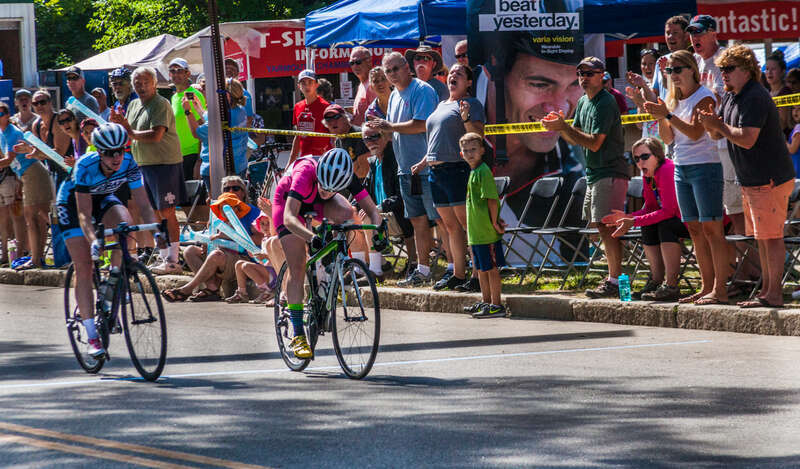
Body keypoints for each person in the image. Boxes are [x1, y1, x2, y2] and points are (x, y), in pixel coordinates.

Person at [698, 45, 797, 308]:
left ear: (746, 69)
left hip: (769, 177)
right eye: (721, 70)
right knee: (762, 238)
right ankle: (766, 291)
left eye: (729, 69)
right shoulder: (732, 95)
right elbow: (721, 134)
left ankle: (773, 293)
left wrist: (718, 125)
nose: (724, 74)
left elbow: (747, 138)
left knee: (771, 237)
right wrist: (711, 125)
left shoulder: (754, 95)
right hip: (752, 179)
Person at [55, 123, 163, 358]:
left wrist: (156, 232)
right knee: (84, 265)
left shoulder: (129, 163)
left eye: (120, 151)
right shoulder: (85, 165)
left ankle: (113, 280)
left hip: (103, 196)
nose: (116, 157)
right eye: (109, 152)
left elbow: (144, 204)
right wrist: (94, 240)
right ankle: (92, 335)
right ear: (100, 152)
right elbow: (84, 213)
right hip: (73, 205)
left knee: (124, 222)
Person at [272, 148, 384, 358]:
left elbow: (372, 210)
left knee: (347, 213)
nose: (326, 191)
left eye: (331, 189)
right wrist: (310, 237)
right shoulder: (305, 172)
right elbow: (289, 217)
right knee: (298, 265)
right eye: (323, 186)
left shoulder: (346, 176)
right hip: (289, 202)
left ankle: (333, 264)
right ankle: (298, 334)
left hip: (316, 203)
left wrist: (379, 230)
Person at [643, 50, 728, 305]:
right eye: (669, 71)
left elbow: (693, 132)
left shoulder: (705, 96)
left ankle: (720, 289)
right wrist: (662, 115)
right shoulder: (673, 99)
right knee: (693, 229)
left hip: (705, 166)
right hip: (682, 166)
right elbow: (668, 139)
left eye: (678, 69)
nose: (673, 75)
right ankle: (706, 287)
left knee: (712, 229)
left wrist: (667, 115)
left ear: (692, 69)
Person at [542, 56, 630, 299]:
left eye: (589, 73)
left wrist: (564, 128)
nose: (584, 77)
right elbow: (575, 138)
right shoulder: (583, 101)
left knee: (609, 227)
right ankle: (616, 282)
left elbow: (594, 143)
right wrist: (561, 128)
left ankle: (618, 283)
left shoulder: (606, 101)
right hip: (595, 173)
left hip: (610, 171)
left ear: (602, 75)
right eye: (580, 72)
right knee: (601, 228)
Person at [411, 63, 485, 291]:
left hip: (457, 169)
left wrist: (465, 118)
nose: (453, 75)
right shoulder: (442, 104)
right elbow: (436, 139)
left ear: (469, 82)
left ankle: (476, 275)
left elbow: (478, 135)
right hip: (436, 172)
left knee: (467, 225)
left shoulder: (471, 104)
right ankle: (458, 274)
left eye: (459, 73)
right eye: (451, 72)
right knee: (449, 226)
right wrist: (424, 161)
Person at [368, 52, 439, 287]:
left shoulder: (421, 90)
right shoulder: (395, 95)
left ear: (407, 67)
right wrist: (379, 132)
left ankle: (454, 269)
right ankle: (423, 270)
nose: (392, 75)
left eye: (396, 69)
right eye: (388, 71)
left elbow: (422, 125)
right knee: (416, 221)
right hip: (405, 169)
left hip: (426, 167)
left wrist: (390, 126)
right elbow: (393, 132)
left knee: (441, 221)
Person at [110, 66, 185, 275]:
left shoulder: (161, 103)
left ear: (154, 84)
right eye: (138, 83)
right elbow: (128, 134)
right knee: (152, 213)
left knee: (167, 212)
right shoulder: (133, 104)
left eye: (145, 82)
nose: (141, 87)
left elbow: (156, 135)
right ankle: (163, 256)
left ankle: (174, 259)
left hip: (164, 164)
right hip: (143, 164)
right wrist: (119, 126)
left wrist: (130, 131)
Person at [604, 138, 688, 301]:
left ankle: (671, 285)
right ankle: (656, 281)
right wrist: (627, 217)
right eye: (636, 159)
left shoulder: (666, 169)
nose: (640, 162)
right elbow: (650, 207)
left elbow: (669, 211)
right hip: (677, 218)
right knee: (648, 226)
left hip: (692, 220)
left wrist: (634, 221)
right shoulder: (649, 174)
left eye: (644, 156)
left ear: (657, 155)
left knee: (665, 225)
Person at [162, 178, 264, 303]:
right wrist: (208, 245)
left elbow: (261, 239)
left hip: (244, 257)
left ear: (243, 193)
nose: (231, 191)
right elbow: (211, 236)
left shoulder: (252, 212)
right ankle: (212, 288)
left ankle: (186, 290)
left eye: (236, 188)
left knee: (216, 255)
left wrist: (232, 237)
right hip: (222, 255)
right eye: (227, 189)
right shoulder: (218, 212)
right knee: (190, 251)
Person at [0, 101, 54, 271]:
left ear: (8, 116)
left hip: (34, 172)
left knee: (37, 216)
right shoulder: (2, 133)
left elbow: (8, 159)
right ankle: (36, 258)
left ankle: (38, 258)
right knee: (34, 217)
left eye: (1, 114)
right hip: (25, 175)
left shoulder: (12, 133)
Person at [459, 132, 506, 318]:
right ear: (461, 154)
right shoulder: (473, 172)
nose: (470, 153)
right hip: (476, 233)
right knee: (481, 269)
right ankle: (486, 302)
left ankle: (497, 305)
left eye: (473, 150)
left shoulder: (484, 171)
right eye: (466, 150)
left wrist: (494, 222)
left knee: (492, 269)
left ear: (482, 151)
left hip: (486, 232)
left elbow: (492, 200)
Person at [362, 125, 417, 277]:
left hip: (399, 216)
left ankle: (376, 271)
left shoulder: (395, 158)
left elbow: (403, 195)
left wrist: (380, 207)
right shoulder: (373, 162)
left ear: (386, 136)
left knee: (366, 217)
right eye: (366, 138)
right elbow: (363, 191)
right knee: (351, 215)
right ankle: (370, 266)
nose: (370, 141)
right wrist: (351, 206)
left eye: (375, 136)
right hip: (383, 218)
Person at [169, 57, 206, 182]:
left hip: (192, 154)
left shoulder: (193, 94)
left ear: (187, 73)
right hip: (178, 155)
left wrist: (199, 160)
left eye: (179, 70)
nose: (176, 74)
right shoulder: (174, 97)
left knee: (193, 199)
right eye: (172, 71)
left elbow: (202, 127)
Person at [287, 69, 332, 165]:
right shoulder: (297, 107)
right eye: (303, 83)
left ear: (316, 85)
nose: (307, 86)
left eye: (310, 82)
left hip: (324, 159)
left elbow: (335, 136)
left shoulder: (326, 107)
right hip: (305, 160)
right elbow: (298, 137)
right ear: (299, 86)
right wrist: (290, 162)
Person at [763, 50, 792, 135]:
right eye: (767, 69)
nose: (769, 72)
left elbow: (782, 124)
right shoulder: (766, 93)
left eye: (773, 69)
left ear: (782, 71)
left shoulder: (786, 92)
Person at [224, 58, 255, 127]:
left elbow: (249, 119)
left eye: (232, 69)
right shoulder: (216, 92)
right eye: (226, 68)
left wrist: (236, 134)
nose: (228, 70)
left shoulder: (244, 94)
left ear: (238, 73)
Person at [349, 46, 375, 126]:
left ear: (369, 62)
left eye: (358, 62)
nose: (355, 66)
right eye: (352, 63)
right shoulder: (362, 84)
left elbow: (377, 117)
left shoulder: (374, 84)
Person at [787, 106, 800, 176]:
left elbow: (792, 150)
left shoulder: (798, 127)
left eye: (799, 108)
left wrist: (781, 138)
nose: (795, 111)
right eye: (793, 108)